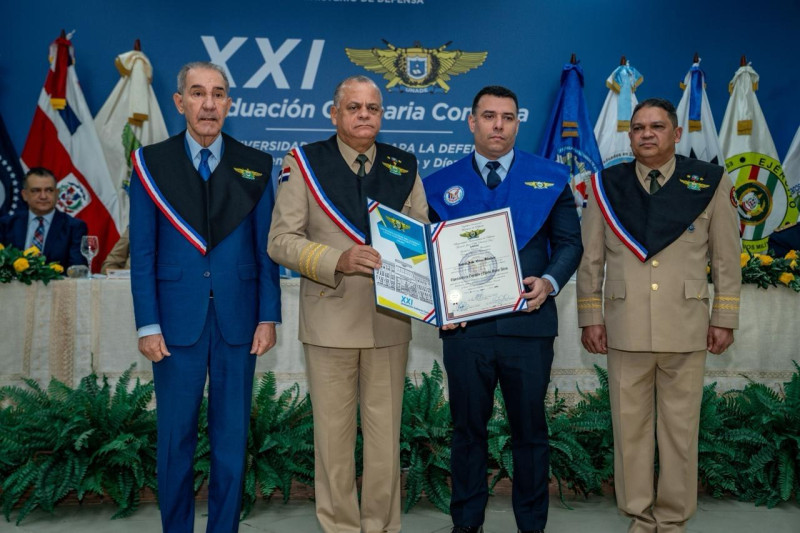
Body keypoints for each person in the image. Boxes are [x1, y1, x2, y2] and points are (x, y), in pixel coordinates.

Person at [267, 75, 428, 533]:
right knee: (334, 442)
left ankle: (380, 526)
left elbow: (422, 241)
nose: (363, 115)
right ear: (333, 113)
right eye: (353, 107)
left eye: (372, 108)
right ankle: (339, 526)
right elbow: (280, 241)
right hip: (330, 321)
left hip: (389, 323)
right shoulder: (304, 162)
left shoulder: (404, 166)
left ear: (382, 114)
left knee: (384, 442)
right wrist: (338, 258)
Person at [129, 61, 281, 533]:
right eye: (197, 93)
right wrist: (147, 323)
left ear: (229, 104)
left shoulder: (256, 165)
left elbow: (265, 252)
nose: (208, 104)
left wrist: (268, 315)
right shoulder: (151, 163)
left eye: (218, 94)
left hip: (239, 321)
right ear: (180, 103)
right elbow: (144, 253)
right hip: (174, 323)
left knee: (231, 440)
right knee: (174, 439)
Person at [576, 98, 741, 533]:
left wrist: (724, 317)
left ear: (676, 134)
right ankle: (638, 514)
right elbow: (590, 260)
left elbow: (726, 258)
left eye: (657, 127)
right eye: (637, 128)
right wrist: (590, 316)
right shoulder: (607, 186)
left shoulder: (709, 182)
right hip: (623, 327)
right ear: (628, 135)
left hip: (686, 327)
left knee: (679, 433)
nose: (646, 134)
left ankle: (671, 518)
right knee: (629, 432)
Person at [423, 85, 583, 533]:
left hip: (528, 327)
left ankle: (532, 526)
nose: (498, 125)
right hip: (465, 331)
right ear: (471, 121)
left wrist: (549, 282)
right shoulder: (437, 184)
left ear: (518, 123)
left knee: (530, 433)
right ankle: (466, 525)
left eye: (508, 117)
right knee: (467, 433)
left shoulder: (550, 177)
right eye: (489, 116)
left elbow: (571, 244)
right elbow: (425, 257)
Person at [0, 167, 87, 267]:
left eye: (49, 190)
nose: (43, 196)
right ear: (25, 195)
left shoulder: (74, 227)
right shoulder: (5, 225)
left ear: (57, 193)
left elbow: (77, 269)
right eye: (36, 191)